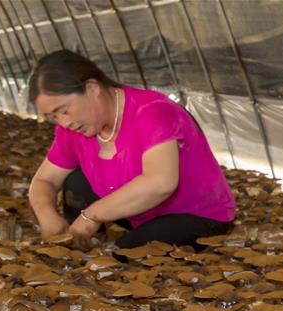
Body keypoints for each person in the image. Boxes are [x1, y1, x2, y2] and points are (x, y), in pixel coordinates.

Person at [27, 50, 236, 249]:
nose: (64, 122)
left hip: (192, 214)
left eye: (64, 110)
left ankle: (97, 237)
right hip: (134, 210)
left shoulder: (152, 112)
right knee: (75, 182)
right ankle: (79, 243)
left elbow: (160, 183)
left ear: (92, 88)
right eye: (54, 116)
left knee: (124, 256)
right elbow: (45, 180)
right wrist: (47, 215)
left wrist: (91, 216)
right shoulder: (72, 129)